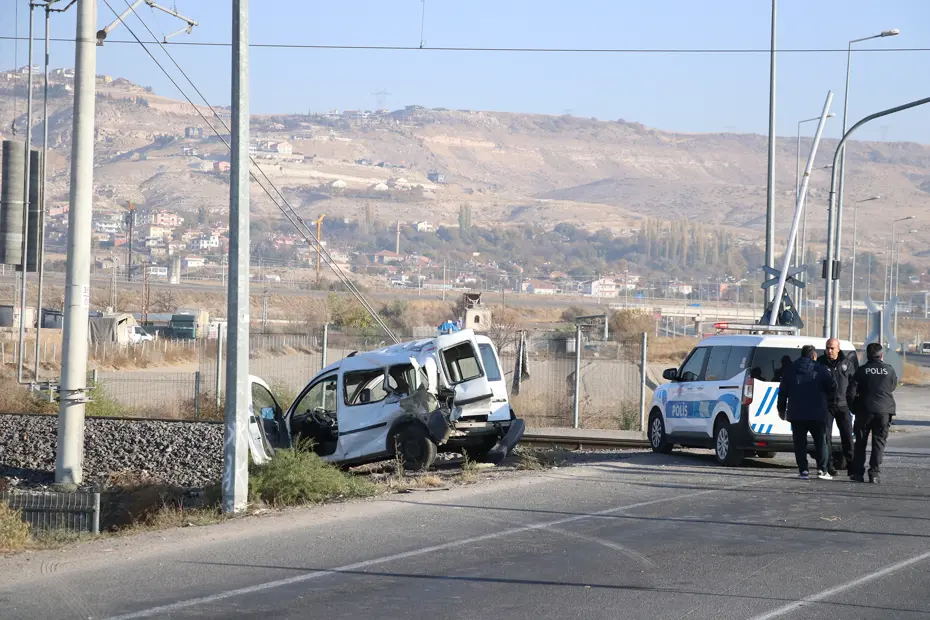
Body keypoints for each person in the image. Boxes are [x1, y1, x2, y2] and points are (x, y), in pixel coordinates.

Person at [777, 345, 837, 480]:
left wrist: (781, 410)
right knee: (821, 442)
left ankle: (803, 470)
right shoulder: (820, 369)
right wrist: (829, 403)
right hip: (817, 412)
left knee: (799, 443)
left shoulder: (790, 369)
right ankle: (822, 470)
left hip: (796, 413)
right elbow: (832, 387)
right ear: (814, 356)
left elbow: (782, 393)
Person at [847, 342, 897, 484]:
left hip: (864, 411)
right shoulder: (889, 370)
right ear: (881, 355)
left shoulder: (861, 371)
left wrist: (853, 408)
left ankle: (858, 474)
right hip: (884, 411)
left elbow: (850, 393)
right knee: (879, 443)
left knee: (860, 443)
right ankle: (874, 473)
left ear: (867, 356)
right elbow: (892, 386)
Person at [817, 338, 858, 475]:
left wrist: (851, 399)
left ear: (838, 349)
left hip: (843, 405)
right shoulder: (820, 363)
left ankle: (852, 467)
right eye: (827, 348)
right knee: (825, 437)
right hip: (826, 406)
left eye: (832, 348)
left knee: (847, 437)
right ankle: (829, 466)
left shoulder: (847, 363)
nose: (829, 351)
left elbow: (854, 383)